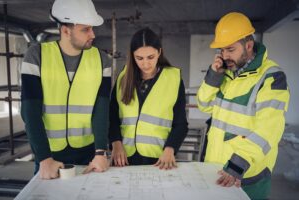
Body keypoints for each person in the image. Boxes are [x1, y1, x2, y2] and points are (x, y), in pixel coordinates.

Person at [196, 12, 290, 199]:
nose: (224, 55)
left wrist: (236, 166)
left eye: (230, 50)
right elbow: (203, 105)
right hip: (215, 169)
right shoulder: (226, 73)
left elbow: (269, 130)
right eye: (222, 50)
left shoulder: (271, 77)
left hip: (246, 176)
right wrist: (213, 77)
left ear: (248, 45)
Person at [20, 0, 110, 179]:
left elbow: (102, 109)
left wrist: (101, 152)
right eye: (85, 29)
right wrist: (44, 158)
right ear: (66, 30)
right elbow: (30, 111)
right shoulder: (37, 55)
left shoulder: (102, 60)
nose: (92, 34)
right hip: (48, 154)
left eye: (92, 28)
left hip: (89, 153)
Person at [109, 28, 188, 170]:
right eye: (139, 58)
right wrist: (115, 144)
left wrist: (170, 149)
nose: (145, 64)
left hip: (159, 160)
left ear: (159, 52)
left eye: (150, 57)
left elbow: (180, 124)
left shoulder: (173, 78)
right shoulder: (123, 77)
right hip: (124, 159)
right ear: (132, 56)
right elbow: (112, 117)